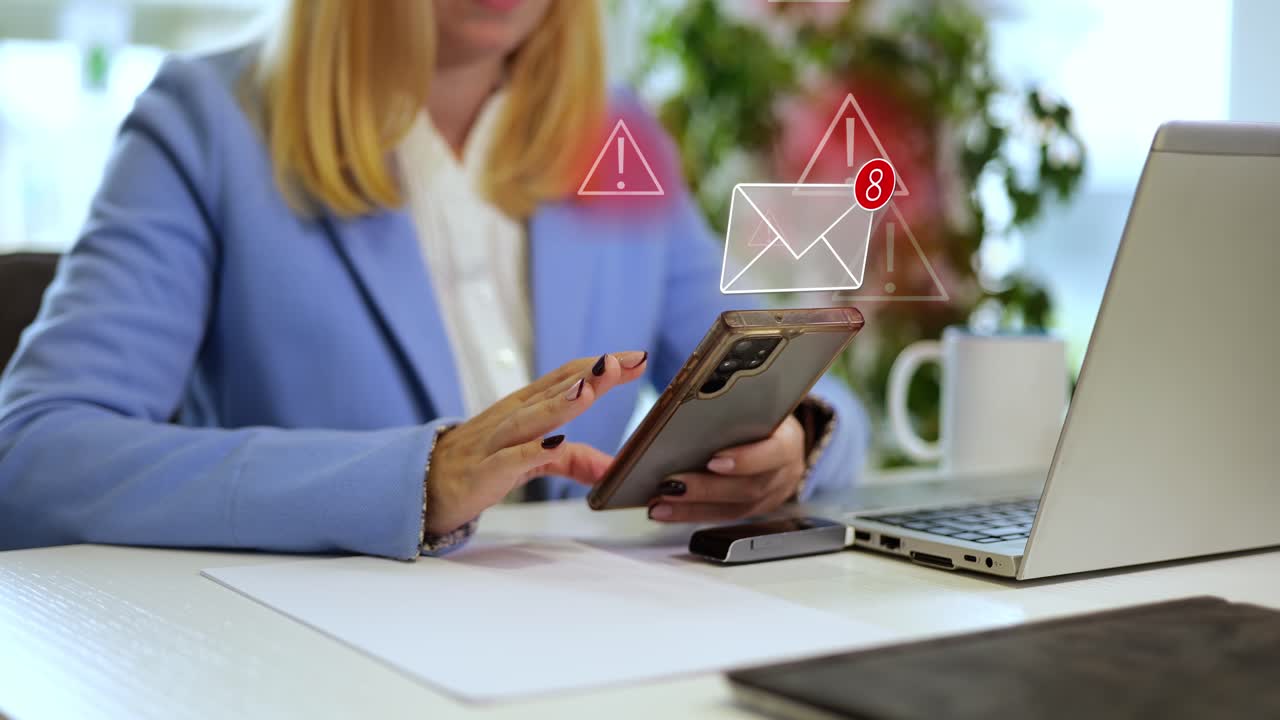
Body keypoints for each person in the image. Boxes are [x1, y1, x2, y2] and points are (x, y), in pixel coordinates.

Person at [0, 0, 868, 559]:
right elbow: (33, 456)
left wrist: (791, 438)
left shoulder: (616, 132)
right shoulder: (206, 122)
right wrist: (414, 480)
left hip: (593, 636)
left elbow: (786, 369)